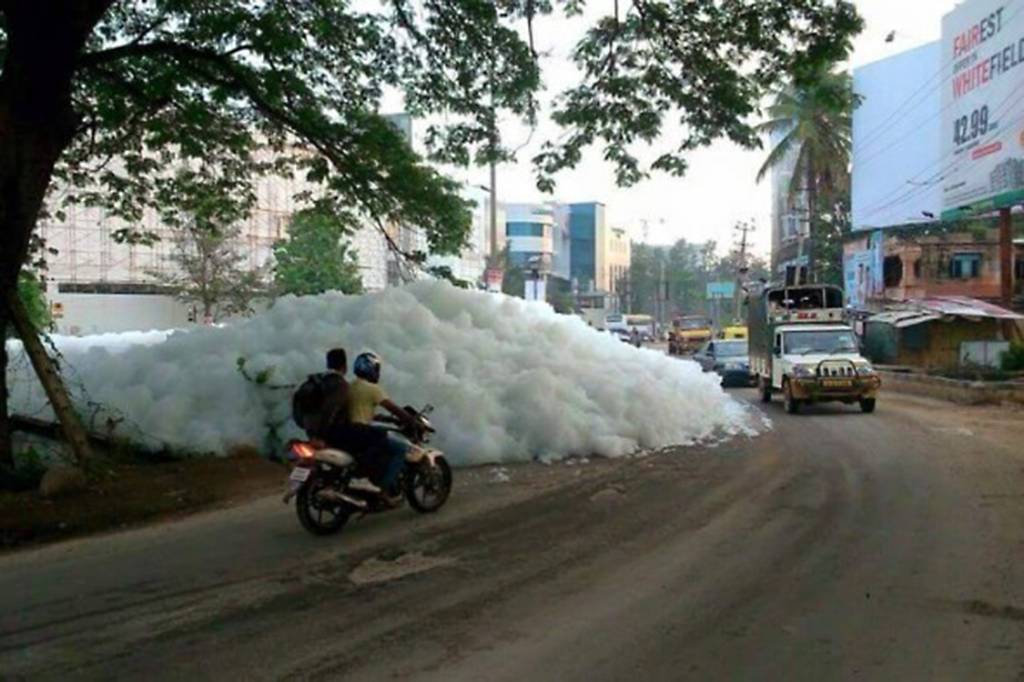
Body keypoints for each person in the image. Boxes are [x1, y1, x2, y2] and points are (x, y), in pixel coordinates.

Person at [344, 352, 420, 506]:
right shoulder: (372, 389)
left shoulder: (350, 387)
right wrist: (412, 420)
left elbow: (362, 410)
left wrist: (387, 419)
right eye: (376, 368)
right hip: (362, 432)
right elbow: (393, 408)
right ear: (371, 369)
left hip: (349, 433)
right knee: (400, 449)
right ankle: (383, 490)